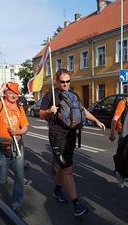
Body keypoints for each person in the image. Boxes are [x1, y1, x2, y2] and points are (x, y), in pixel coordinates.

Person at [39, 68, 106, 217]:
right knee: (68, 169)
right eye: (62, 82)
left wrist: (96, 120)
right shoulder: (51, 94)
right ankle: (76, 204)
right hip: (57, 135)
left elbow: (82, 110)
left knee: (64, 167)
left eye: (67, 81)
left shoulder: (73, 94)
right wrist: (50, 110)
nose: (65, 84)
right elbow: (41, 114)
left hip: (71, 135)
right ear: (57, 81)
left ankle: (57, 190)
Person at [0, 82, 29, 217]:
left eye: (16, 93)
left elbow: (25, 127)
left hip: (16, 145)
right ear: (5, 93)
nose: (14, 95)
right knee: (2, 179)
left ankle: (16, 205)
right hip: (0, 145)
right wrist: (1, 88)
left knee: (19, 177)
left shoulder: (19, 108)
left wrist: (17, 131)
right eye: (10, 92)